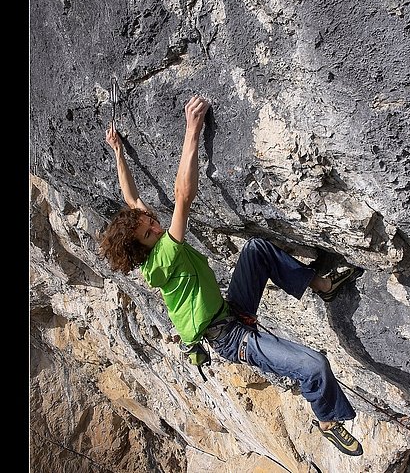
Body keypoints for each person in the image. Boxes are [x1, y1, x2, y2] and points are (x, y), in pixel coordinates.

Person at [99, 95, 364, 457]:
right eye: (148, 231)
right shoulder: (161, 259)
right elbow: (183, 197)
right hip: (230, 337)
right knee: (314, 365)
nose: (155, 225)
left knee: (256, 250)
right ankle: (328, 421)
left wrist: (118, 151)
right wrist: (192, 130)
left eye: (151, 222)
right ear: (143, 248)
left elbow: (130, 199)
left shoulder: (149, 238)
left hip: (230, 309)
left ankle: (323, 286)